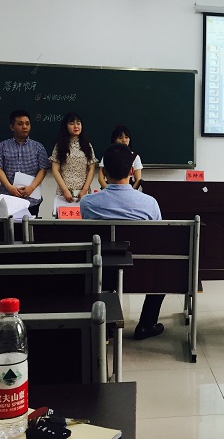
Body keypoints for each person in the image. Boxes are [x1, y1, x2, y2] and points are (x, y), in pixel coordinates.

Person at [80, 142, 165, 340]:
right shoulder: (149, 203)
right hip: (143, 274)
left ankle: (107, 325)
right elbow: (159, 238)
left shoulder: (88, 203)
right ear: (131, 171)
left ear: (104, 172)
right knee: (162, 271)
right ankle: (146, 324)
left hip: (102, 274)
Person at [0, 110, 50, 217]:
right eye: (20, 124)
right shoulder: (3, 146)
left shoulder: (38, 147)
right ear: (12, 127)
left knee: (29, 226)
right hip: (8, 197)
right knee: (8, 226)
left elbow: (43, 169)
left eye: (27, 124)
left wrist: (31, 187)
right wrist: (9, 187)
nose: (24, 127)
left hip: (31, 198)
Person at [50, 113, 98, 202]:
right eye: (72, 123)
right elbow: (55, 169)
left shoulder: (87, 145)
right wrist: (65, 190)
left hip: (83, 193)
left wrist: (85, 189)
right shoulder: (59, 145)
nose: (76, 126)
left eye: (78, 123)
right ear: (66, 126)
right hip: (64, 193)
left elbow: (91, 169)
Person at [98, 125, 142, 190]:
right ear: (115, 140)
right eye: (120, 138)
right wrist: (110, 191)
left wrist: (129, 192)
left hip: (128, 191)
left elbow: (138, 180)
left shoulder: (135, 157)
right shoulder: (108, 155)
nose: (124, 140)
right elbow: (101, 178)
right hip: (109, 190)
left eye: (126, 137)